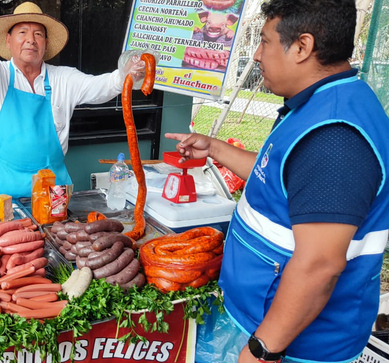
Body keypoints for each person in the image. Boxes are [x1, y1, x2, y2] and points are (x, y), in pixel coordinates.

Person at [167, 0, 389, 362]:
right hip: (255, 316)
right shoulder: (318, 102)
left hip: (293, 346)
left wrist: (262, 350)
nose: (256, 55)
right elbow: (284, 178)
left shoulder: (335, 136)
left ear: (302, 47)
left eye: (265, 41)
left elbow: (319, 264)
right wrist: (216, 149)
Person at [0, 1, 149, 205]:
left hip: (53, 193)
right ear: (8, 40)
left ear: (46, 44)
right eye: (22, 32)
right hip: (2, 193)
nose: (31, 39)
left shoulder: (64, 78)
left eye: (38, 34)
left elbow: (102, 86)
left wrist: (127, 74)